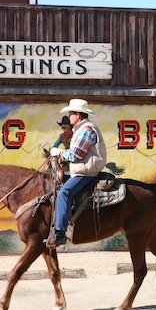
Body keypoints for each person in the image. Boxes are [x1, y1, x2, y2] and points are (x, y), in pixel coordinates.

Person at [47, 99, 107, 246]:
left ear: (78, 115)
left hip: (86, 173)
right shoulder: (81, 129)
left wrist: (58, 152)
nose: (69, 116)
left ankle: (60, 232)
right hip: (81, 170)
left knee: (64, 192)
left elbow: (76, 155)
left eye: (71, 113)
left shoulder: (86, 130)